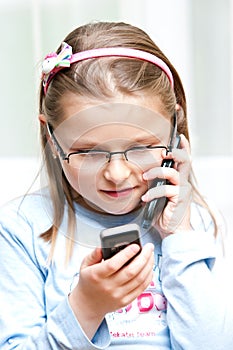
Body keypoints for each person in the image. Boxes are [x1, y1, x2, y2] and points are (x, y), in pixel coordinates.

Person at [0, 21, 231, 350]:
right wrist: (86, 307)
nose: (117, 174)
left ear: (174, 129)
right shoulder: (21, 228)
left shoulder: (196, 224)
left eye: (140, 147)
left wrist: (181, 240)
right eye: (89, 152)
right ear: (52, 138)